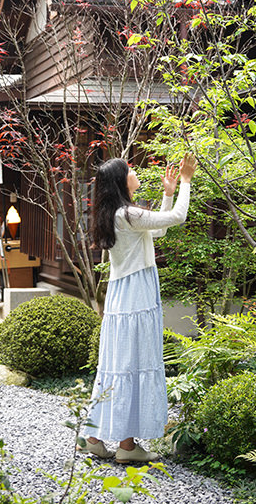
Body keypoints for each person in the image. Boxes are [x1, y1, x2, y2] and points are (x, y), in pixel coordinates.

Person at [80, 153, 196, 463]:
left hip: (122, 295)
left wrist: (167, 194)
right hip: (137, 295)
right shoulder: (127, 214)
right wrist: (185, 182)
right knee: (134, 363)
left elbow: (156, 230)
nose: (134, 172)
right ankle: (127, 447)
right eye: (129, 170)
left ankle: (94, 437)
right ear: (121, 180)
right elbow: (177, 219)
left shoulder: (115, 215)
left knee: (118, 364)